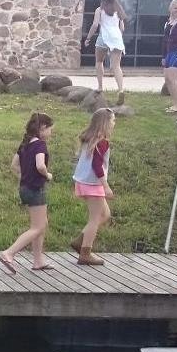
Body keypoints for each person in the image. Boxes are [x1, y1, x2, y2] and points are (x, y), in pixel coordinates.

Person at [0, 112, 55, 273]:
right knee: (38, 227)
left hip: (24, 188)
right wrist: (47, 175)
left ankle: (38, 261)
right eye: (50, 129)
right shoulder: (40, 145)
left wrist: (25, 176)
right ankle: (8, 253)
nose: (51, 133)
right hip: (36, 189)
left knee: (42, 224)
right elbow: (40, 166)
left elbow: (14, 165)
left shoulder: (25, 143)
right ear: (43, 128)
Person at [69, 107, 116, 266]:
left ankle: (79, 241)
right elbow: (97, 166)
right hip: (93, 184)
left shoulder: (89, 138)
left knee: (105, 214)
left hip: (84, 182)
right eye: (113, 120)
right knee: (95, 219)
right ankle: (85, 253)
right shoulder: (101, 142)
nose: (114, 123)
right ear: (105, 123)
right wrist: (106, 186)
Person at [82, 0, 128, 105]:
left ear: (103, 0)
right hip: (116, 38)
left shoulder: (99, 10)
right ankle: (121, 89)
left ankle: (100, 86)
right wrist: (117, 37)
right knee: (116, 66)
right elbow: (122, 28)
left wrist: (88, 38)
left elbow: (94, 25)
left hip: (104, 37)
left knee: (99, 62)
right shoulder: (118, 11)